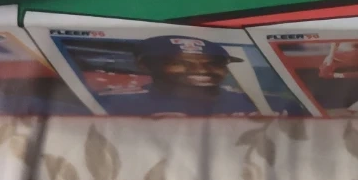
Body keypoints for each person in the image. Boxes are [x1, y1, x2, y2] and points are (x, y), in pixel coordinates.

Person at [101, 35, 257, 116]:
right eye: (180, 63)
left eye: (214, 63)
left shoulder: (255, 102)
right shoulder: (114, 103)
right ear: (145, 65)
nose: (202, 70)